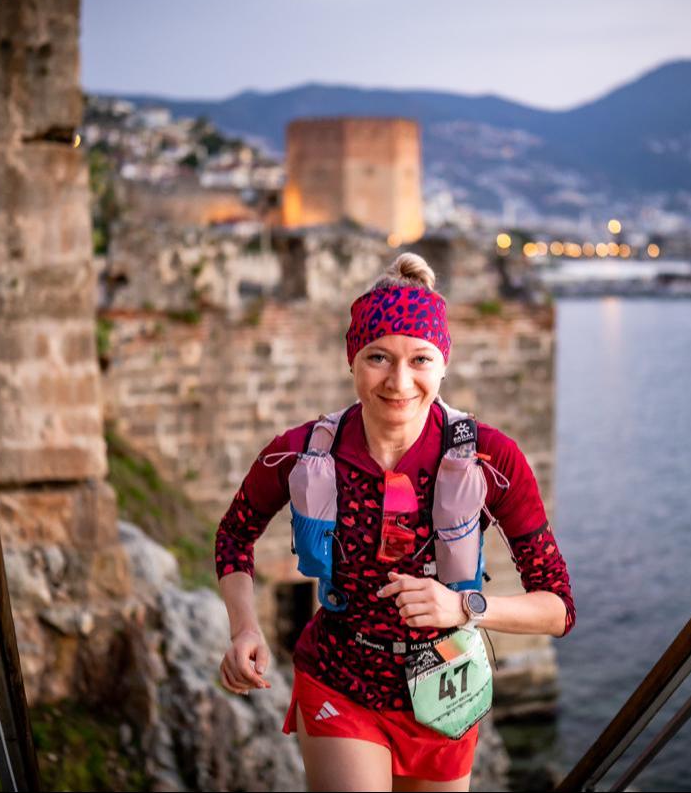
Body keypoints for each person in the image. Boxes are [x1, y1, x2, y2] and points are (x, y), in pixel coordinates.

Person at [215, 252, 575, 792]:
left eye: (420, 360)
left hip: (446, 686)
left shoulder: (492, 459)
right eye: (379, 357)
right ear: (352, 361)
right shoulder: (301, 452)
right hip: (341, 681)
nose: (399, 382)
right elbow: (234, 536)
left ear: (444, 364)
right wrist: (245, 625)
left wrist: (465, 606)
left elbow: (558, 608)